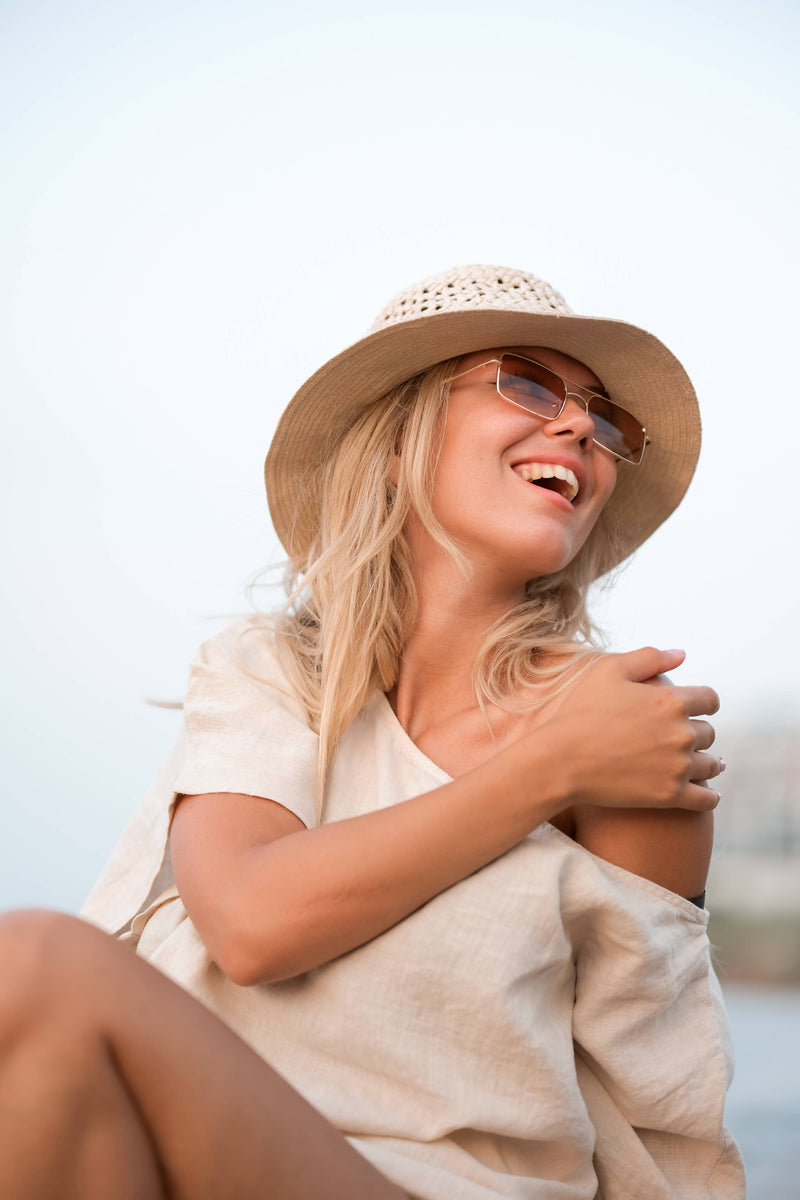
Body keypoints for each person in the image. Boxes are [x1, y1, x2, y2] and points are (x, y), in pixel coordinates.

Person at [0, 264, 745, 1199]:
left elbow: (658, 1096)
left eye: (606, 420)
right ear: (398, 441)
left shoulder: (628, 730)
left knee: (34, 965)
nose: (579, 428)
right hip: (192, 1164)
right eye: (528, 381)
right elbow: (251, 922)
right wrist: (549, 768)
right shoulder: (266, 677)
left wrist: (576, 754)